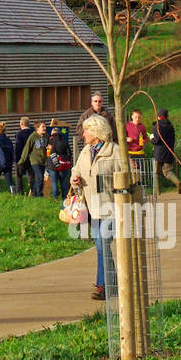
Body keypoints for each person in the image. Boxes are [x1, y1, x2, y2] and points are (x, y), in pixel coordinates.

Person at [70, 114, 124, 301]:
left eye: (86, 130)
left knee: (101, 243)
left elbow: (128, 174)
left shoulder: (114, 151)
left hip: (110, 208)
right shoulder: (86, 151)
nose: (83, 134)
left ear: (96, 132)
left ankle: (105, 285)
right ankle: (111, 283)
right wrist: (75, 179)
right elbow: (76, 170)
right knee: (100, 246)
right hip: (92, 209)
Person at [151, 109, 181, 193]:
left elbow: (157, 140)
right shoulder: (170, 126)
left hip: (158, 152)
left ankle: (158, 192)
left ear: (158, 116)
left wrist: (151, 139)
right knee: (167, 171)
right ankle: (177, 182)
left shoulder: (157, 126)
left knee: (156, 173)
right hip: (169, 151)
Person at [20, 121, 49, 198]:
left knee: (40, 179)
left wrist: (49, 148)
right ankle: (39, 195)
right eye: (43, 127)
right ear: (37, 128)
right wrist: (22, 161)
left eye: (45, 126)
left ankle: (34, 193)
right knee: (39, 177)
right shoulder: (33, 136)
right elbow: (27, 148)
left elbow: (48, 146)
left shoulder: (46, 136)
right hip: (35, 161)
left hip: (43, 161)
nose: (45, 128)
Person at [46, 121, 72, 200]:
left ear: (52, 134)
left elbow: (48, 154)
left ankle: (55, 198)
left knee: (54, 182)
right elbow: (69, 153)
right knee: (64, 182)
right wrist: (65, 159)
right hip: (62, 165)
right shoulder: (64, 141)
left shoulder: (50, 142)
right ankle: (65, 198)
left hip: (52, 165)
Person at [0, 122, 16, 194]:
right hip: (8, 163)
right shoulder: (8, 140)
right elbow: (11, 150)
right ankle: (14, 194)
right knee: (9, 180)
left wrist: (2, 162)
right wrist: (12, 160)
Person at [13, 116, 34, 194]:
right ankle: (34, 192)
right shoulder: (33, 133)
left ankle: (20, 192)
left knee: (19, 176)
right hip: (31, 158)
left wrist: (16, 160)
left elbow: (18, 147)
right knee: (31, 176)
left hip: (21, 158)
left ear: (21, 124)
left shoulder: (19, 134)